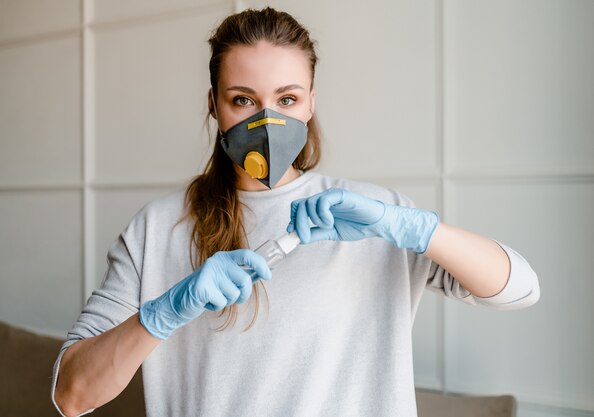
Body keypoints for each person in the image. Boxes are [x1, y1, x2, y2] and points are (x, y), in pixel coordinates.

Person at [52, 7, 539, 417]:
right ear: (213, 106)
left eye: (287, 99)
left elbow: (520, 290)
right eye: (243, 100)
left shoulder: (376, 216)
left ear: (310, 104)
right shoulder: (156, 229)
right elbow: (70, 396)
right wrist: (162, 314)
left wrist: (412, 228)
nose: (268, 121)